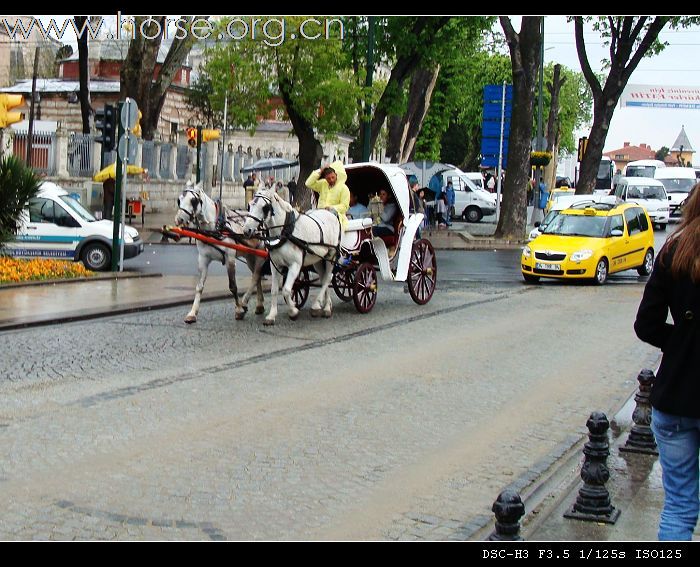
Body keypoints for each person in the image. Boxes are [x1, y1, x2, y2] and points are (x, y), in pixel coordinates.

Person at [634, 184, 700, 541]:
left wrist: (681, 344)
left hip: (675, 395)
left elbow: (645, 323)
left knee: (678, 506)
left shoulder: (675, 249)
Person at [305, 160, 350, 231]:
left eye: (333, 177)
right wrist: (320, 171)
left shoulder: (344, 188)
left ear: (336, 175)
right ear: (325, 178)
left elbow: (344, 206)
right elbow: (308, 183)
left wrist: (331, 208)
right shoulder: (323, 183)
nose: (331, 180)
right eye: (328, 178)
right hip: (320, 215)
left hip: (335, 217)